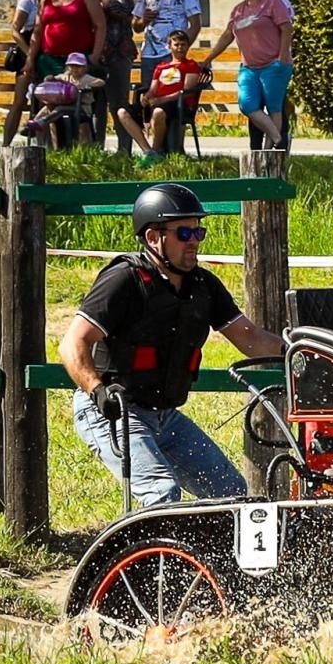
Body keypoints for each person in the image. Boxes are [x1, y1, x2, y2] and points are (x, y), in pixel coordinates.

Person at [59, 183, 284, 509]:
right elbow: (73, 344)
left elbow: (251, 338)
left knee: (232, 493)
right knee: (161, 494)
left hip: (165, 417)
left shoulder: (204, 286)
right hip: (112, 412)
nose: (194, 241)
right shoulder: (123, 280)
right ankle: (155, 545)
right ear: (153, 237)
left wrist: (303, 352)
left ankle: (210, 544)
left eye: (198, 232)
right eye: (184, 233)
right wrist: (97, 391)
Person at [203, 0, 292, 149]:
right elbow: (227, 35)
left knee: (274, 107)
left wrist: (282, 57)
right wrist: (208, 58)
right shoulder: (239, 10)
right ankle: (278, 138)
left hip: (273, 65)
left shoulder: (273, 3)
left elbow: (287, 29)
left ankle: (267, 153)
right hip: (249, 68)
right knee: (247, 105)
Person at [116, 28, 206, 164]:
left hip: (178, 104)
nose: (180, 48)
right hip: (157, 102)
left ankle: (156, 150)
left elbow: (187, 90)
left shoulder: (191, 65)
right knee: (122, 112)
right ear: (169, 46)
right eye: (176, 44)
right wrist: (147, 97)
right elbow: (153, 89)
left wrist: (162, 99)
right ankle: (148, 151)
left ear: (188, 46)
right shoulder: (161, 67)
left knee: (158, 112)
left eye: (183, 45)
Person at [23, 0, 105, 93]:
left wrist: (95, 56)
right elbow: (38, 31)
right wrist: (30, 59)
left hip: (77, 62)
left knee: (75, 100)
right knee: (48, 98)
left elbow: (100, 26)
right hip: (49, 60)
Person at [132, 0, 202, 93]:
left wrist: (181, 49)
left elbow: (195, 24)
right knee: (148, 94)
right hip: (149, 54)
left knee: (169, 93)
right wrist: (144, 20)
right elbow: (136, 26)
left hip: (171, 53)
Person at [2, 0, 51, 146]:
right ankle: (6, 145)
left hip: (48, 46)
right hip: (28, 45)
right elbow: (15, 29)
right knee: (19, 100)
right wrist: (29, 53)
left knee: (47, 99)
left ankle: (43, 145)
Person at [89, 0, 136, 152]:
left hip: (119, 57)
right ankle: (96, 150)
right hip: (96, 58)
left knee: (119, 105)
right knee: (96, 107)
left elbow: (123, 12)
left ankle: (124, 150)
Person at [250, 0, 295, 151]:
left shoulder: (284, 4)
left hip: (276, 63)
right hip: (255, 62)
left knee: (277, 104)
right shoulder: (253, 5)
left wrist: (281, 59)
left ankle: (280, 144)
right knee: (255, 105)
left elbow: (285, 30)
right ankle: (256, 147)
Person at [23, 51, 104, 147]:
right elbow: (52, 79)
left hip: (82, 108)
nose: (75, 69)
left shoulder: (86, 78)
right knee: (49, 107)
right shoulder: (66, 77)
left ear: (85, 67)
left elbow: (101, 82)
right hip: (66, 105)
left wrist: (85, 86)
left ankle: (42, 121)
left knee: (60, 109)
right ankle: (35, 124)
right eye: (72, 66)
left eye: (78, 66)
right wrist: (50, 79)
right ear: (67, 67)